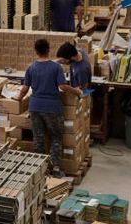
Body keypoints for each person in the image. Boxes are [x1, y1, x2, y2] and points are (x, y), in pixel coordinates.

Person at [16, 39, 82, 177]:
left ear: (36, 50)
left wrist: (18, 99)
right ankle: (56, 168)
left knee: (38, 139)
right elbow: (62, 86)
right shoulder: (55, 67)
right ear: (49, 49)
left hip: (35, 107)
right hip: (52, 108)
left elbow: (25, 89)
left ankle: (40, 170)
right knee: (55, 138)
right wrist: (76, 91)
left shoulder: (31, 67)